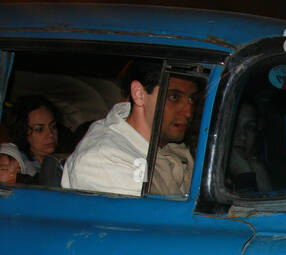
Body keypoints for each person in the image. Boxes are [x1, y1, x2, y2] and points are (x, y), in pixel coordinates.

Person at [63, 60, 198, 196]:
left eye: (191, 99)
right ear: (139, 94)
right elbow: (150, 215)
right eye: (173, 97)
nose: (188, 112)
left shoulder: (166, 145)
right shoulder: (103, 160)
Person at [10, 94, 64, 187]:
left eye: (53, 127)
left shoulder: (62, 162)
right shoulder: (19, 167)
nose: (50, 134)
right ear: (23, 132)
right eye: (39, 129)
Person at [226, 100, 271, 192]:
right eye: (234, 125)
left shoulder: (258, 171)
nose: (242, 136)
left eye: (250, 127)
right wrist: (244, 174)